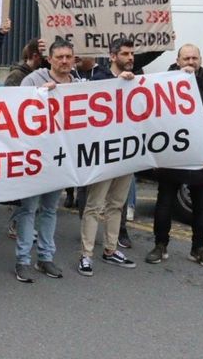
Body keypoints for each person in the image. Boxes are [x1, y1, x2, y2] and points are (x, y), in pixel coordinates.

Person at [146, 44, 203, 269]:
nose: (190, 62)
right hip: (171, 158)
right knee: (164, 204)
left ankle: (198, 249)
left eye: (194, 58)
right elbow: (150, 120)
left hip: (202, 159)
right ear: (178, 60)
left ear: (200, 60)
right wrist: (154, 155)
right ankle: (160, 245)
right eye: (186, 58)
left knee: (202, 207)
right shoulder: (161, 85)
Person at [77, 38, 139, 276]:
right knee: (94, 205)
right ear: (113, 56)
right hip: (105, 153)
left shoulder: (137, 80)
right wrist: (115, 84)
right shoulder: (99, 79)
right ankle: (86, 255)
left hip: (128, 152)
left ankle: (111, 249)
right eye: (125, 53)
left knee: (117, 205)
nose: (130, 57)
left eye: (132, 53)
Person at [14, 39, 74, 283]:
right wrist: (39, 96)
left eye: (68, 57)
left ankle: (45, 257)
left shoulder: (79, 86)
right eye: (59, 57)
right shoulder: (33, 80)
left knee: (50, 209)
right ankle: (22, 260)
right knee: (28, 209)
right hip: (35, 158)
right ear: (49, 59)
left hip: (59, 160)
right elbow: (17, 108)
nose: (64, 61)